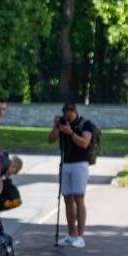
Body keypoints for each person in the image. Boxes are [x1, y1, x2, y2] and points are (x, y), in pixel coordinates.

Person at [47, 101, 94, 248]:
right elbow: (50, 140)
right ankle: (71, 234)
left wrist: (70, 133)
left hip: (80, 164)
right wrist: (57, 127)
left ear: (75, 111)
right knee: (67, 198)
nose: (68, 114)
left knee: (79, 197)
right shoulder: (62, 123)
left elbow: (84, 143)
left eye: (70, 111)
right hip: (65, 163)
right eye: (65, 112)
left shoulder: (85, 124)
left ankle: (81, 236)